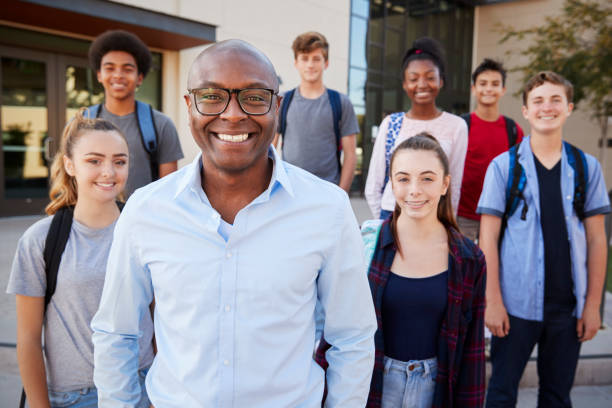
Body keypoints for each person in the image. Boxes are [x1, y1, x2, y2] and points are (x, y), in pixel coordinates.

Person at [91, 39, 376, 407]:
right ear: (190, 106)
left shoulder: (328, 209)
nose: (233, 114)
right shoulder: (146, 211)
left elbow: (352, 337)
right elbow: (117, 334)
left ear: (278, 105)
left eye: (254, 97)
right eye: (212, 96)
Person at [316, 133, 486, 407]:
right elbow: (336, 331)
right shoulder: (364, 245)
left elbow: (472, 353)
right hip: (372, 388)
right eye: (404, 178)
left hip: (435, 390)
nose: (415, 190)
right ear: (392, 184)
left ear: (445, 184)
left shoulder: (469, 259)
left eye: (427, 178)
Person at [478, 71, 610, 407]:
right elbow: (487, 238)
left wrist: (593, 305)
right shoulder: (503, 167)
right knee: (501, 393)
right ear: (525, 111)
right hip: (515, 306)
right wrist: (492, 301)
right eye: (538, 101)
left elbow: (597, 240)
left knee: (556, 396)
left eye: (555, 100)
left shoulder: (586, 167)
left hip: (567, 309)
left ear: (569, 107)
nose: (546, 107)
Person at [6, 111, 153, 408]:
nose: (109, 172)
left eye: (119, 161)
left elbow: (161, 317)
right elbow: (29, 340)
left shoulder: (146, 231)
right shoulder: (39, 241)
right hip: (77, 396)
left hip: (145, 386)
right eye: (94, 160)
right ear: (69, 165)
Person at [365, 37, 468, 219]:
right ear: (405, 84)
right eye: (413, 78)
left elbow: (455, 185)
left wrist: (447, 224)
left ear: (441, 81)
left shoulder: (457, 126)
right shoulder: (391, 124)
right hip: (392, 214)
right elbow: (374, 183)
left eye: (430, 77)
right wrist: (383, 224)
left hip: (435, 217)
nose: (422, 84)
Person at [88, 29, 183, 197]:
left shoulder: (160, 125)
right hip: (92, 220)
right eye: (109, 68)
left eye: (127, 69)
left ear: (139, 78)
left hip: (144, 221)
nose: (118, 75)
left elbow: (169, 191)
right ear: (99, 75)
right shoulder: (83, 122)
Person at [273, 31, 359, 192]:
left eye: (316, 59)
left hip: (328, 190)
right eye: (304, 59)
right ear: (296, 63)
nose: (310, 65)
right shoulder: (283, 101)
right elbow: (269, 148)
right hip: (289, 191)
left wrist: (341, 194)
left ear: (326, 63)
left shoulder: (341, 102)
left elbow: (350, 155)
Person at [457, 58, 524, 242]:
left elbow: (519, 173)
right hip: (463, 216)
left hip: (499, 215)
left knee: (494, 269)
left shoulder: (513, 129)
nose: (488, 89)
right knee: (463, 269)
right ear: (473, 88)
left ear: (503, 90)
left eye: (495, 84)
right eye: (483, 84)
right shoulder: (461, 125)